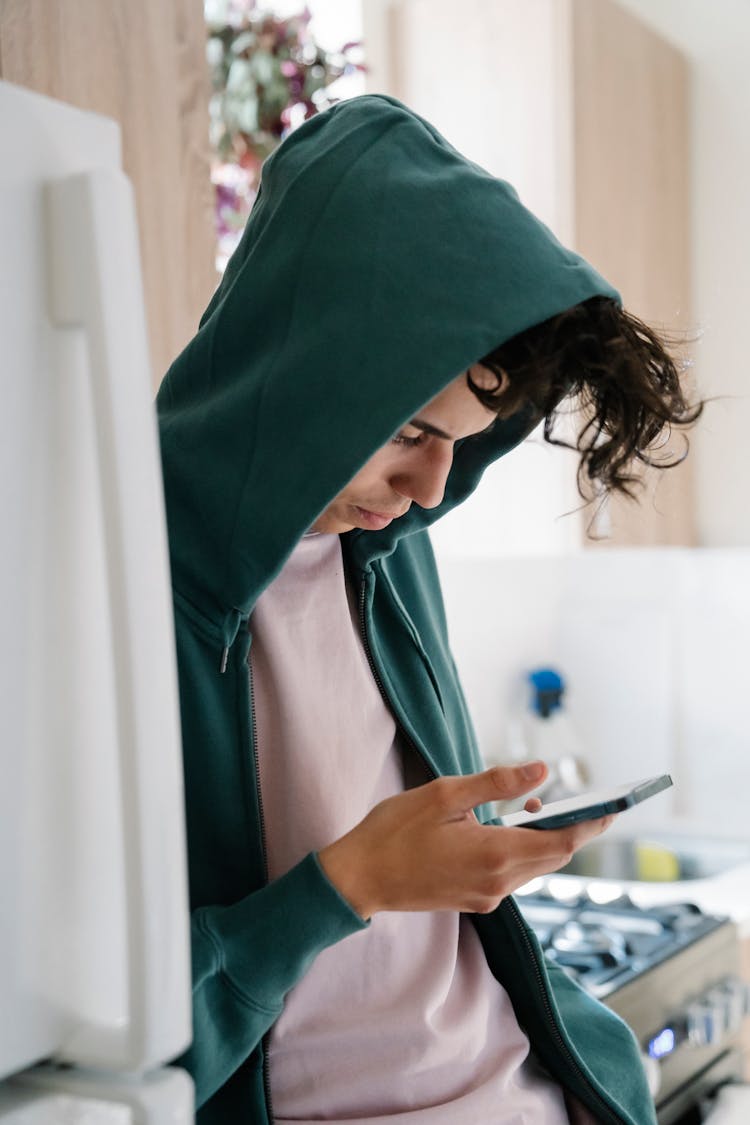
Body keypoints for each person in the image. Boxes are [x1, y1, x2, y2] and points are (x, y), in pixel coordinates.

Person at [156, 94, 700, 1123]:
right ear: (302, 364)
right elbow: (86, 1054)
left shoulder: (388, 555)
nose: (433, 488)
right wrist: (351, 880)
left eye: (464, 437)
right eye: (410, 429)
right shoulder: (112, 595)